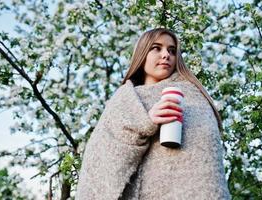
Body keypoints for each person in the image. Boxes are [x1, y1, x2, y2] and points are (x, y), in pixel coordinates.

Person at [76, 28, 230, 200]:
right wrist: (145, 122)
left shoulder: (193, 96)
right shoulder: (124, 99)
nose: (166, 55)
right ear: (142, 53)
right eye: (157, 48)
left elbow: (206, 154)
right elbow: (100, 156)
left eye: (172, 50)